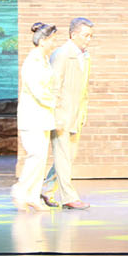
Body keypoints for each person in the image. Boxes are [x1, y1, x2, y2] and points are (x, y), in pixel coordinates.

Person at [41, 17, 93, 210]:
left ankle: (46, 189)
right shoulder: (62, 54)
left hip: (75, 114)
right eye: (86, 35)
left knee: (68, 157)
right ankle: (68, 197)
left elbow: (83, 89)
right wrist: (55, 115)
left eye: (91, 36)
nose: (89, 40)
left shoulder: (84, 56)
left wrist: (83, 112)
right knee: (63, 157)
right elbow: (53, 87)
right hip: (61, 115)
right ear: (73, 35)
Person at [10, 22, 61, 212]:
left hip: (43, 117)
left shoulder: (43, 60)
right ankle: (20, 191)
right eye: (52, 39)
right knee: (35, 156)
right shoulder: (32, 61)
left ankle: (32, 196)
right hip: (32, 116)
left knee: (41, 158)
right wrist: (56, 103)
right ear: (43, 41)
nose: (54, 43)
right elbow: (38, 91)